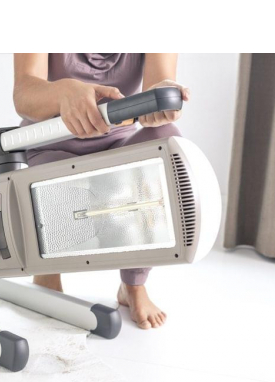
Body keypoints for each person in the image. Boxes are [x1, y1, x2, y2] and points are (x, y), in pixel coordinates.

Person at [13, 53, 190, 330]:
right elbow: (23, 94)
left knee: (166, 136)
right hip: (51, 142)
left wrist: (162, 98)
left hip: (117, 141)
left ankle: (133, 283)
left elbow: (156, 90)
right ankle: (47, 276)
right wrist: (63, 92)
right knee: (53, 190)